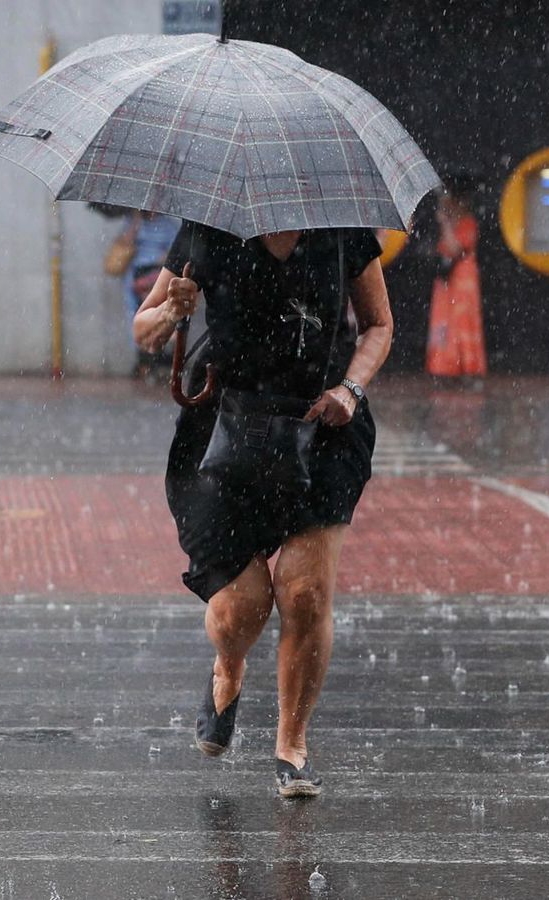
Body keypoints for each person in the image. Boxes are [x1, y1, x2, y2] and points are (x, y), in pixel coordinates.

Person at [133, 222, 390, 799]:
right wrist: (174, 311)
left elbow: (379, 324)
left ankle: (291, 745)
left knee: (304, 593)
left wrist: (351, 388)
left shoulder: (343, 231)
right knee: (241, 610)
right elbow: (144, 331)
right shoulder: (209, 231)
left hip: (324, 425)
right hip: (225, 429)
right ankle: (228, 668)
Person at [426, 178, 487, 378]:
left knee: (461, 321)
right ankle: (444, 364)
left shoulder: (467, 224)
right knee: (444, 322)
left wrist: (445, 224)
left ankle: (466, 364)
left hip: (462, 280)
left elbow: (454, 248)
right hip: (446, 282)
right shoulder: (451, 223)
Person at [118, 212, 182, 377]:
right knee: (136, 315)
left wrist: (162, 261)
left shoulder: (167, 226)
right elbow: (124, 244)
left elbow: (175, 252)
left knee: (159, 314)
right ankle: (144, 359)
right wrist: (135, 224)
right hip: (135, 277)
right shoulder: (133, 222)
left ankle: (159, 359)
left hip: (156, 276)